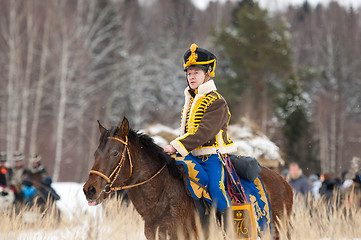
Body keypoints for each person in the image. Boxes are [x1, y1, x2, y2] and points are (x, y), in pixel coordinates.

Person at [163, 43, 236, 225]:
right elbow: (186, 132)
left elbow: (203, 133)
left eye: (196, 72)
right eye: (189, 73)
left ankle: (229, 231)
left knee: (215, 189)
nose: (191, 77)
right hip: (189, 155)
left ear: (207, 73)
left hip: (212, 157)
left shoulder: (217, 101)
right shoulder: (190, 100)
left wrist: (175, 145)